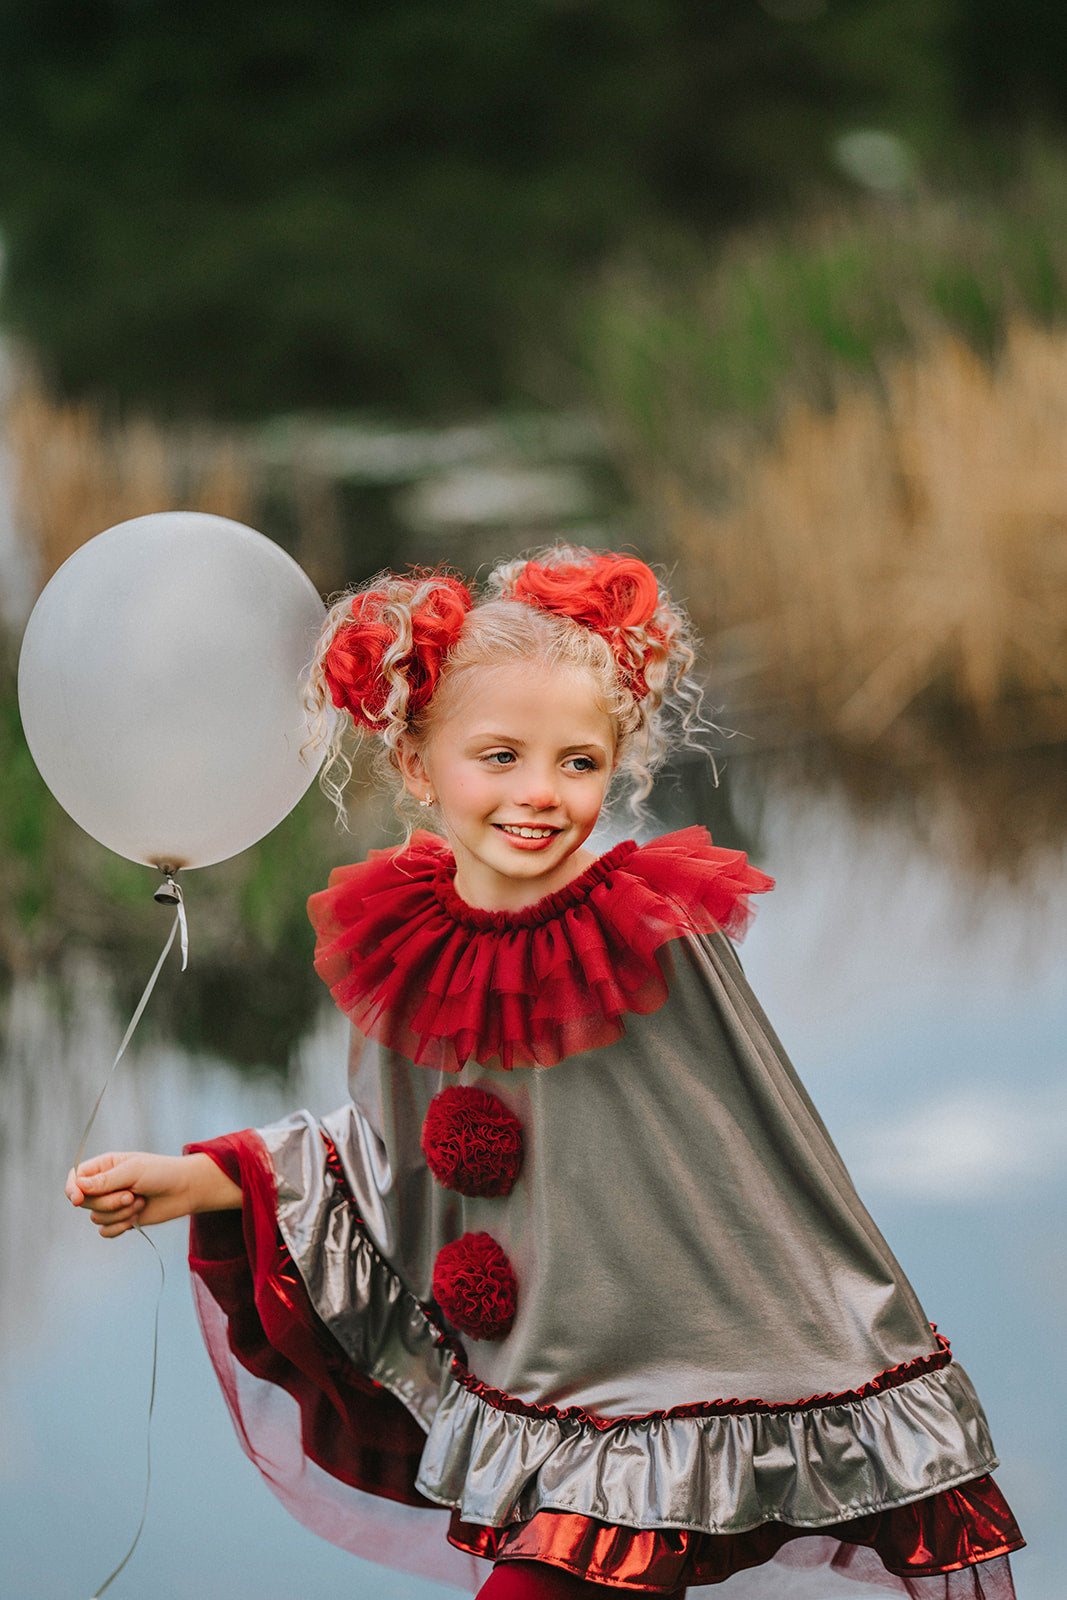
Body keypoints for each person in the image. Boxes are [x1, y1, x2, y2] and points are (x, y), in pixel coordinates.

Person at [67, 548, 1023, 1599]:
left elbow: (757, 1168)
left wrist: (841, 1369)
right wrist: (203, 1178)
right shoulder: (411, 936)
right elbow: (400, 1151)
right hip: (546, 1406)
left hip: (666, 1412)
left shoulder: (646, 934)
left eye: (577, 761)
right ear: (419, 765)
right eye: (500, 756)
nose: (540, 793)